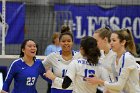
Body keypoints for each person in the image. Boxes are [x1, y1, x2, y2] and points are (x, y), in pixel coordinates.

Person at [85, 29, 140, 93]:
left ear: (123, 42)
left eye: (114, 40)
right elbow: (114, 83)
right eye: (110, 40)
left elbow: (119, 85)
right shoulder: (113, 57)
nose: (111, 43)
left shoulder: (126, 57)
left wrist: (99, 81)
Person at [42, 25, 82, 93]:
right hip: (56, 90)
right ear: (59, 42)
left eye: (69, 41)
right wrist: (50, 79)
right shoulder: (53, 56)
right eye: (63, 41)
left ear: (72, 42)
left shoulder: (79, 56)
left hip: (74, 90)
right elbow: (41, 68)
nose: (66, 43)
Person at [93, 27, 116, 92]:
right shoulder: (100, 54)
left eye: (96, 41)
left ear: (105, 40)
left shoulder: (116, 55)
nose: (94, 44)